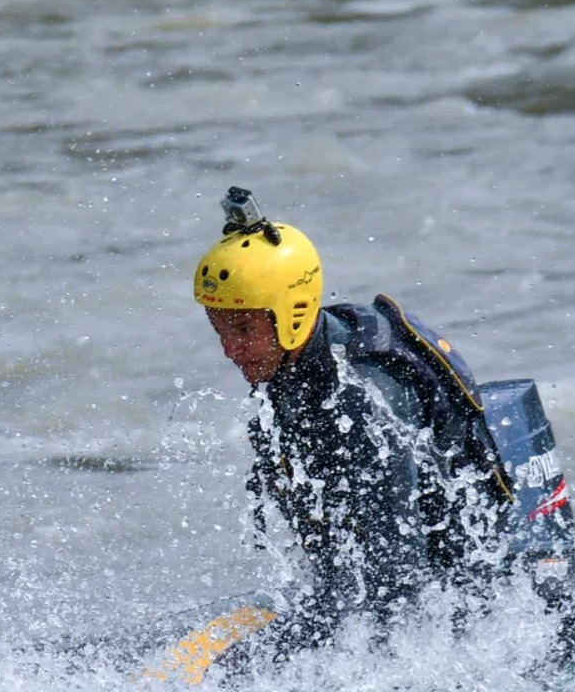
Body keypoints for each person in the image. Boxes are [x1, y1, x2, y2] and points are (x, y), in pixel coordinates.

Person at [193, 187, 543, 659]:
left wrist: (306, 658)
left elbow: (399, 589)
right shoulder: (300, 359)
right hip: (380, 590)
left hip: (458, 605)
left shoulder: (364, 407)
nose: (230, 351)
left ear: (292, 315)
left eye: (243, 331)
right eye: (220, 329)